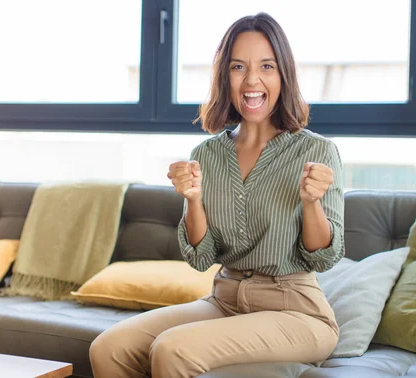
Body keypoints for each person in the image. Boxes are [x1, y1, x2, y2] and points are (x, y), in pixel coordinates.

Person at [89, 12, 345, 378]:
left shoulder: (317, 151)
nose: (252, 80)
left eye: (267, 66)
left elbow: (323, 258)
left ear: (283, 74)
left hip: (296, 311)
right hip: (225, 300)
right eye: (238, 66)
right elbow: (201, 256)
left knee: (172, 350)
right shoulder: (206, 155)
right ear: (225, 75)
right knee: (108, 348)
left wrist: (311, 203)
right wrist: (193, 200)